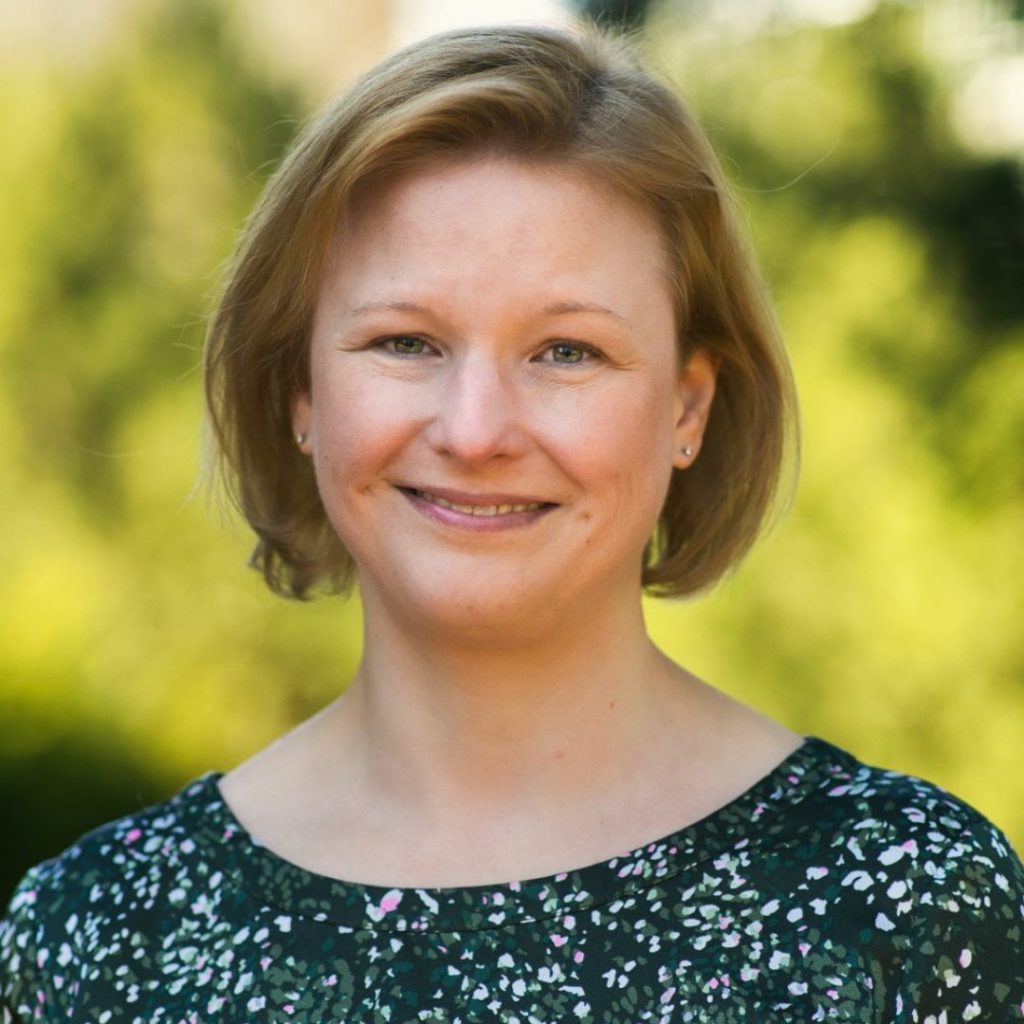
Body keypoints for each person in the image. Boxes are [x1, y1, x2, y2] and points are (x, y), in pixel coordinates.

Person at [2, 22, 1022, 1024]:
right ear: (299, 394)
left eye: (566, 351)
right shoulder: (95, 935)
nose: (476, 428)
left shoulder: (909, 902)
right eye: (405, 341)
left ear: (686, 407)